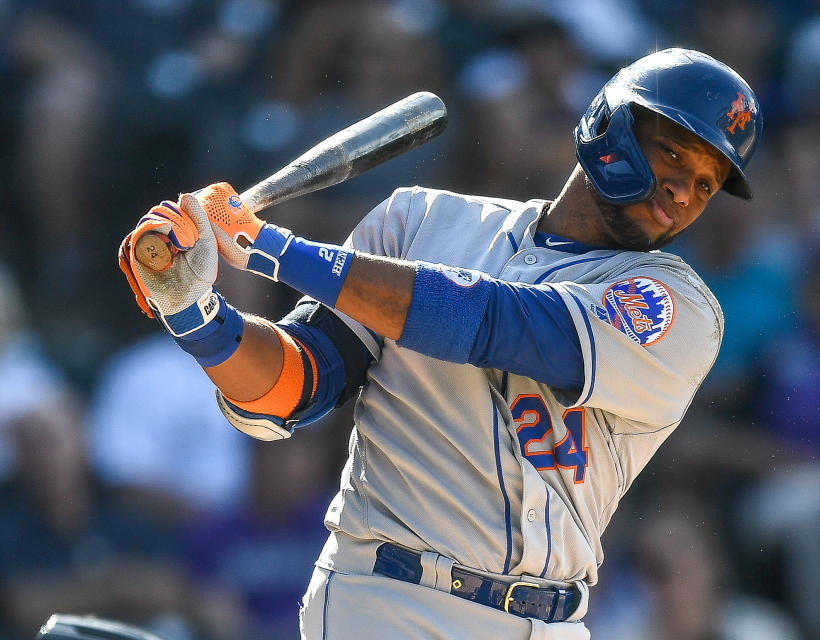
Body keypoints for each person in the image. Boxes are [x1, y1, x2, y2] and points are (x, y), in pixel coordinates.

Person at [118, 48, 762, 639]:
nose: (684, 191)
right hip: (387, 602)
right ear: (609, 125)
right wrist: (195, 313)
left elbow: (490, 321)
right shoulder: (420, 222)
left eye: (707, 183)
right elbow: (296, 388)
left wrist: (269, 247)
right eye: (674, 153)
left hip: (554, 618)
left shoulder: (679, 307)